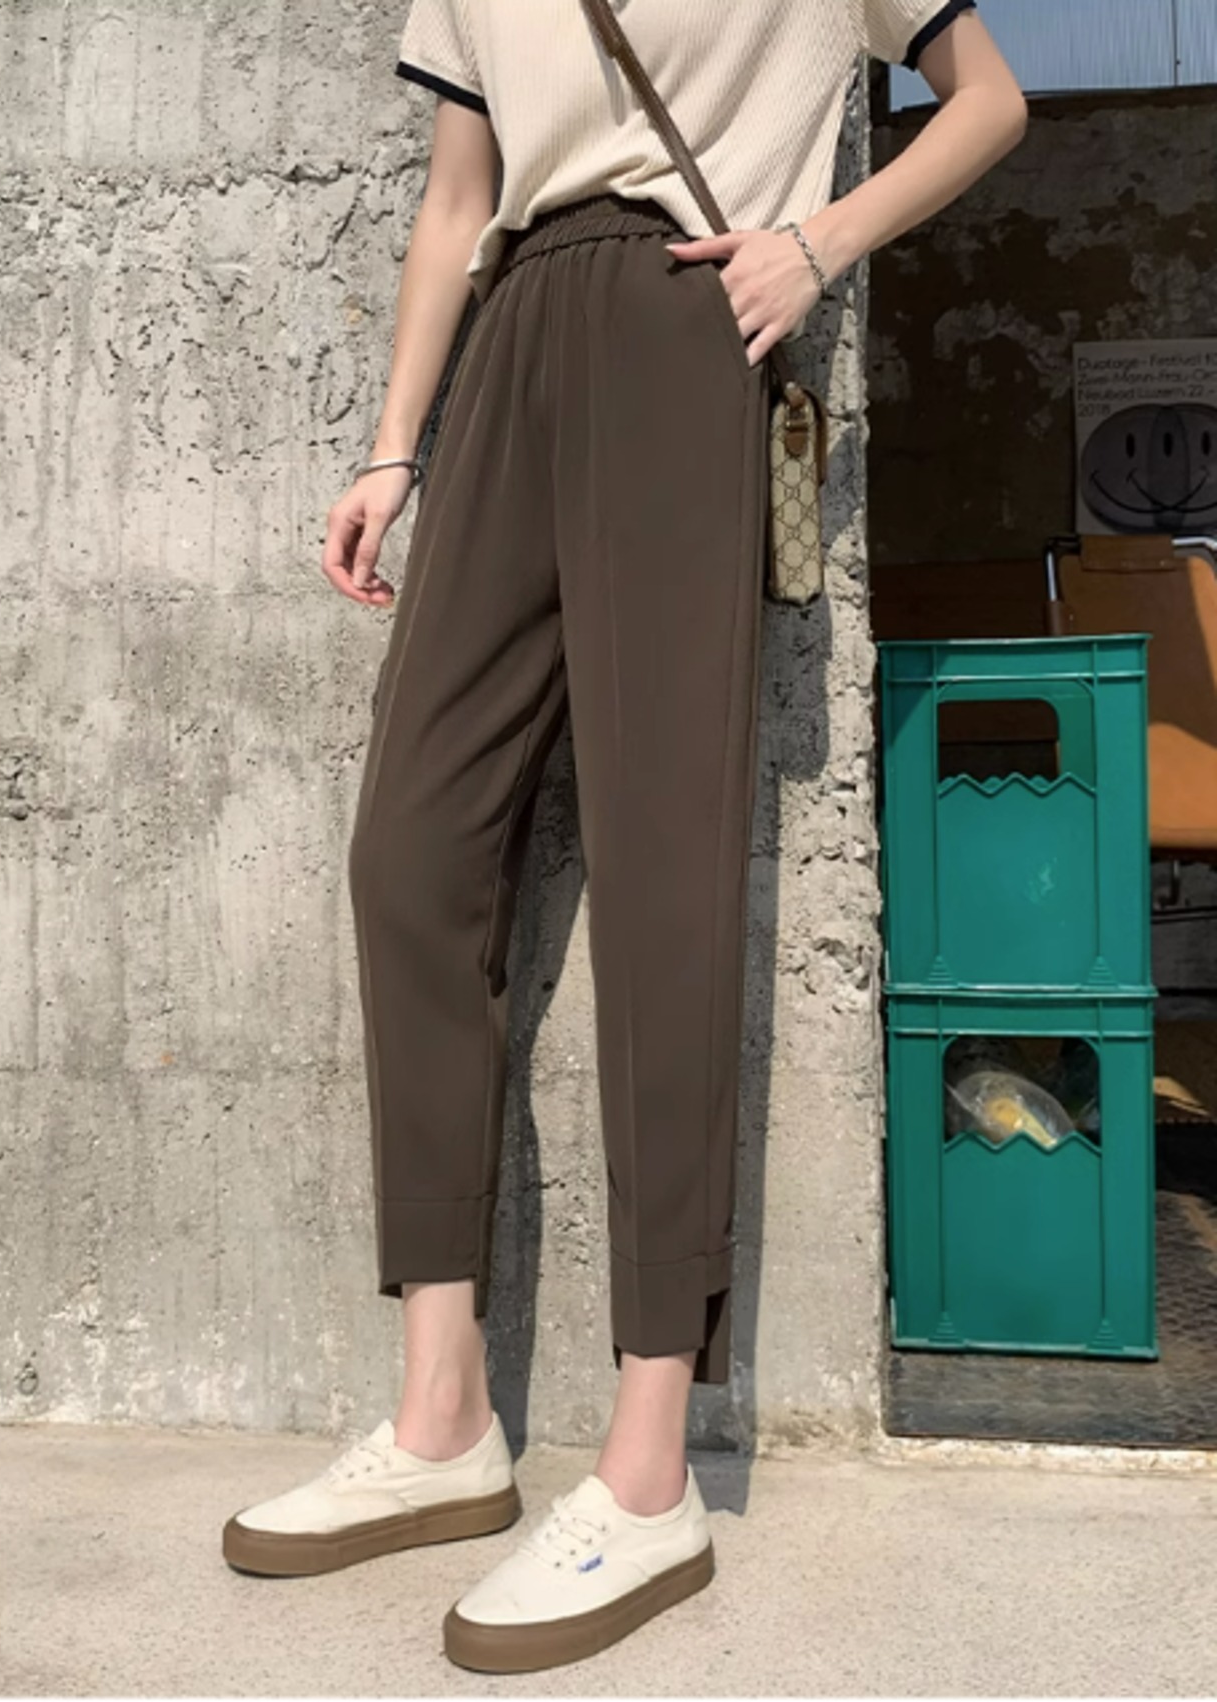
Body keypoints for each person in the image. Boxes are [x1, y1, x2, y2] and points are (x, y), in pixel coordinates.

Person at [222, 0, 1026, 1674]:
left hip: (685, 314)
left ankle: (651, 1466)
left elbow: (987, 99)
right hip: (512, 331)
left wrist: (817, 244)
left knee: (667, 879)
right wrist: (392, 446)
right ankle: (443, 1416)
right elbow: (458, 200)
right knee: (409, 854)